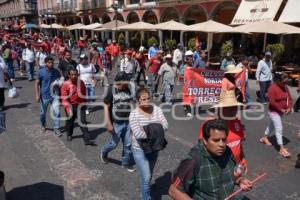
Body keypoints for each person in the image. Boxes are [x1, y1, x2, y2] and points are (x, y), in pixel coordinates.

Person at [169, 119, 253, 200]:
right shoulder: (193, 161)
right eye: (216, 140)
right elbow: (174, 191)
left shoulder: (227, 151)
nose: (221, 144)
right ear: (205, 140)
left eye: (224, 140)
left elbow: (232, 176)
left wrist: (240, 181)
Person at [129, 87, 168, 200]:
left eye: (148, 98)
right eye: (143, 99)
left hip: (154, 148)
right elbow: (138, 134)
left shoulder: (156, 109)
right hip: (139, 149)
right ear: (138, 100)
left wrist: (146, 128)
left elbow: (165, 126)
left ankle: (145, 188)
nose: (146, 101)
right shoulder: (134, 114)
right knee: (146, 177)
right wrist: (156, 127)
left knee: (148, 175)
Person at [198, 90, 248, 171]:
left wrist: (243, 159)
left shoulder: (237, 122)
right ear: (220, 109)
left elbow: (239, 143)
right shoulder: (209, 124)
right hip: (218, 167)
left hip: (236, 165)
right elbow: (201, 148)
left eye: (235, 108)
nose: (234, 111)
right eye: (230, 108)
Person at [100, 72, 135, 172]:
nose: (127, 83)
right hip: (116, 123)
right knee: (113, 144)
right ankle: (104, 151)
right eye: (126, 82)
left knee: (128, 144)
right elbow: (106, 107)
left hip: (127, 122)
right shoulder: (111, 90)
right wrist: (108, 123)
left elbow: (130, 103)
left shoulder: (126, 89)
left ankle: (126, 163)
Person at [260, 72, 293, 158]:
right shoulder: (272, 88)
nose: (285, 84)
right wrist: (280, 109)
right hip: (273, 111)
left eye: (286, 82)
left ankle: (265, 137)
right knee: (279, 128)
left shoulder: (285, 87)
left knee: (272, 125)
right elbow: (272, 102)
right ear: (278, 81)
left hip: (281, 112)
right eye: (284, 82)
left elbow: (289, 98)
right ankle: (281, 148)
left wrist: (289, 107)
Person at [61, 68, 95, 145]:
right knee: (70, 122)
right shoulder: (66, 84)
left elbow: (84, 93)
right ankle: (69, 134)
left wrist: (85, 103)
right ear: (69, 75)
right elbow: (64, 98)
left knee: (82, 122)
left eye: (76, 74)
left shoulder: (81, 83)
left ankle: (87, 139)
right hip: (70, 105)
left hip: (81, 105)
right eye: (72, 74)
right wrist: (68, 109)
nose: (74, 76)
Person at [35, 56, 61, 135]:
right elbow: (37, 83)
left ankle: (56, 128)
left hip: (54, 95)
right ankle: (43, 125)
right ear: (45, 63)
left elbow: (60, 80)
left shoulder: (56, 71)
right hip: (44, 95)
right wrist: (37, 95)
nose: (51, 64)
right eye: (49, 62)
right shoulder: (41, 72)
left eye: (52, 62)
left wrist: (59, 83)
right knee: (42, 113)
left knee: (57, 112)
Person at [182, 50, 194, 117]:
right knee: (187, 97)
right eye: (190, 57)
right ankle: (187, 110)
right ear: (186, 59)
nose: (191, 59)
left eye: (192, 57)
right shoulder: (184, 67)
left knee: (190, 98)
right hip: (186, 85)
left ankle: (187, 108)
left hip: (192, 85)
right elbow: (181, 75)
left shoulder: (193, 66)